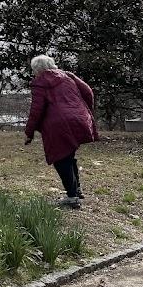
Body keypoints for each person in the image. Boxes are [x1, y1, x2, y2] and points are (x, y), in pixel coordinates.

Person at [23, 55, 98, 208]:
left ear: (38, 70)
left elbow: (36, 110)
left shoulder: (40, 82)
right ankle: (76, 190)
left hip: (58, 124)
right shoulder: (67, 75)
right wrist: (84, 110)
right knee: (69, 156)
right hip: (78, 118)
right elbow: (88, 92)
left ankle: (72, 197)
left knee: (60, 159)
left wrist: (29, 132)